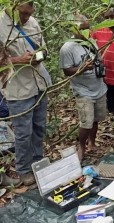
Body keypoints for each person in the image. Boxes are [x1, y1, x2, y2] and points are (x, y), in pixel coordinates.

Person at [0, 1, 51, 186]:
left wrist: (39, 56)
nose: (26, 18)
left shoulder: (33, 22)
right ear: (12, 7)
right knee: (23, 133)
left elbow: (43, 48)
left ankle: (38, 162)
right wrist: (17, 60)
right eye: (22, 14)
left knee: (39, 127)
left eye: (29, 14)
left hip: (39, 83)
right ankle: (23, 169)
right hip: (17, 88)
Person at [59, 14, 107, 161]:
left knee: (96, 119)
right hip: (83, 90)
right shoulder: (67, 48)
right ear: (74, 29)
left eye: (88, 29)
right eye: (83, 29)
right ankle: (82, 146)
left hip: (99, 87)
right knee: (86, 121)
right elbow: (67, 71)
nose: (87, 33)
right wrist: (82, 68)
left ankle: (92, 143)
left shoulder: (92, 42)